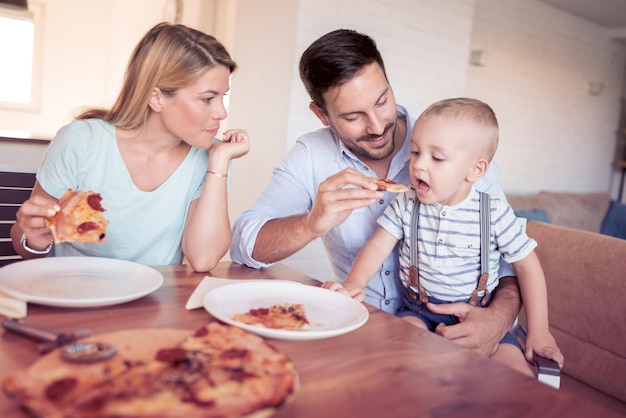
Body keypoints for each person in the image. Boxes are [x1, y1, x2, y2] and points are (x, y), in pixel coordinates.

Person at [231, 29, 521, 356]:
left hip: (465, 328)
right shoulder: (312, 155)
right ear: (321, 115)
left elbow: (507, 260)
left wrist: (498, 318)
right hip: (367, 327)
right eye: (354, 116)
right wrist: (310, 224)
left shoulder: (453, 147)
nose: (377, 125)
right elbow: (244, 244)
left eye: (382, 101)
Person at [322, 97, 564, 374]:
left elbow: (528, 267)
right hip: (418, 313)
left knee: (515, 375)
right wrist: (355, 282)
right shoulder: (407, 204)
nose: (419, 166)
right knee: (397, 350)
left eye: (437, 157)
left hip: (480, 316)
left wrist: (539, 330)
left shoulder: (493, 213)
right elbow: (378, 245)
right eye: (414, 152)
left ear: (475, 170)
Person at [11, 22, 249, 272]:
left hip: (154, 304)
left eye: (223, 97)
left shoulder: (212, 157)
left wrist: (220, 161)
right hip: (74, 296)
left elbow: (203, 259)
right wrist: (34, 241)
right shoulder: (81, 142)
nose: (221, 112)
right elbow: (26, 245)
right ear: (156, 98)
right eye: (208, 99)